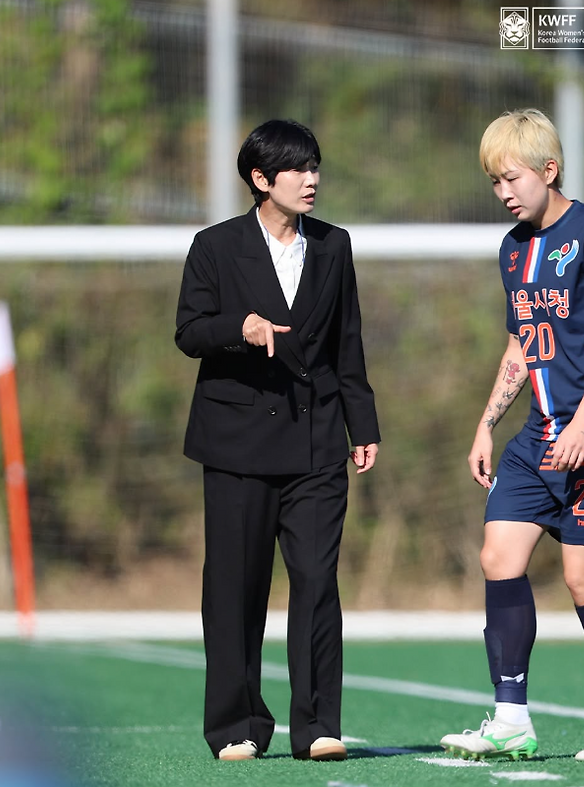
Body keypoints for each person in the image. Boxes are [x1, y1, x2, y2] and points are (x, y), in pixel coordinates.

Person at [175, 119, 380, 762]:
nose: (311, 178)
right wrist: (239, 327)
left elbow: (347, 341)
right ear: (261, 180)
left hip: (318, 440)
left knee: (317, 582)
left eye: (315, 166)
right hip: (237, 444)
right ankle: (236, 725)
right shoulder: (214, 246)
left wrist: (362, 425)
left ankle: (317, 726)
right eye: (297, 168)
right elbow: (189, 331)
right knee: (235, 588)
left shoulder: (335, 245)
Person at [440, 108, 584, 762]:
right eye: (494, 181)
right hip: (538, 437)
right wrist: (485, 424)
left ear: (549, 170)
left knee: (583, 578)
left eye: (512, 177)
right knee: (499, 557)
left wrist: (583, 423)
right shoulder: (512, 249)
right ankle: (511, 720)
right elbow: (522, 345)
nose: (503, 191)